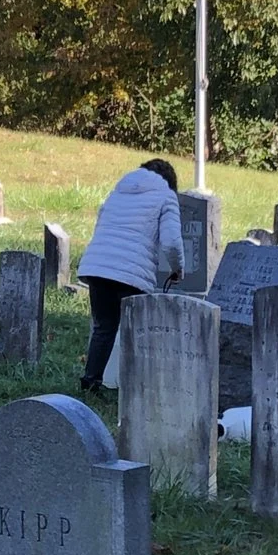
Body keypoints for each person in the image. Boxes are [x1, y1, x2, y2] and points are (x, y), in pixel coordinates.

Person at [74, 158, 182, 392]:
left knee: (104, 327)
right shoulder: (166, 196)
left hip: (99, 267)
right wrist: (176, 268)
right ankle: (136, 387)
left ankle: (90, 382)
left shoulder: (118, 192)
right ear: (170, 181)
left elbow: (101, 226)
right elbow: (172, 242)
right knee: (136, 330)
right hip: (132, 273)